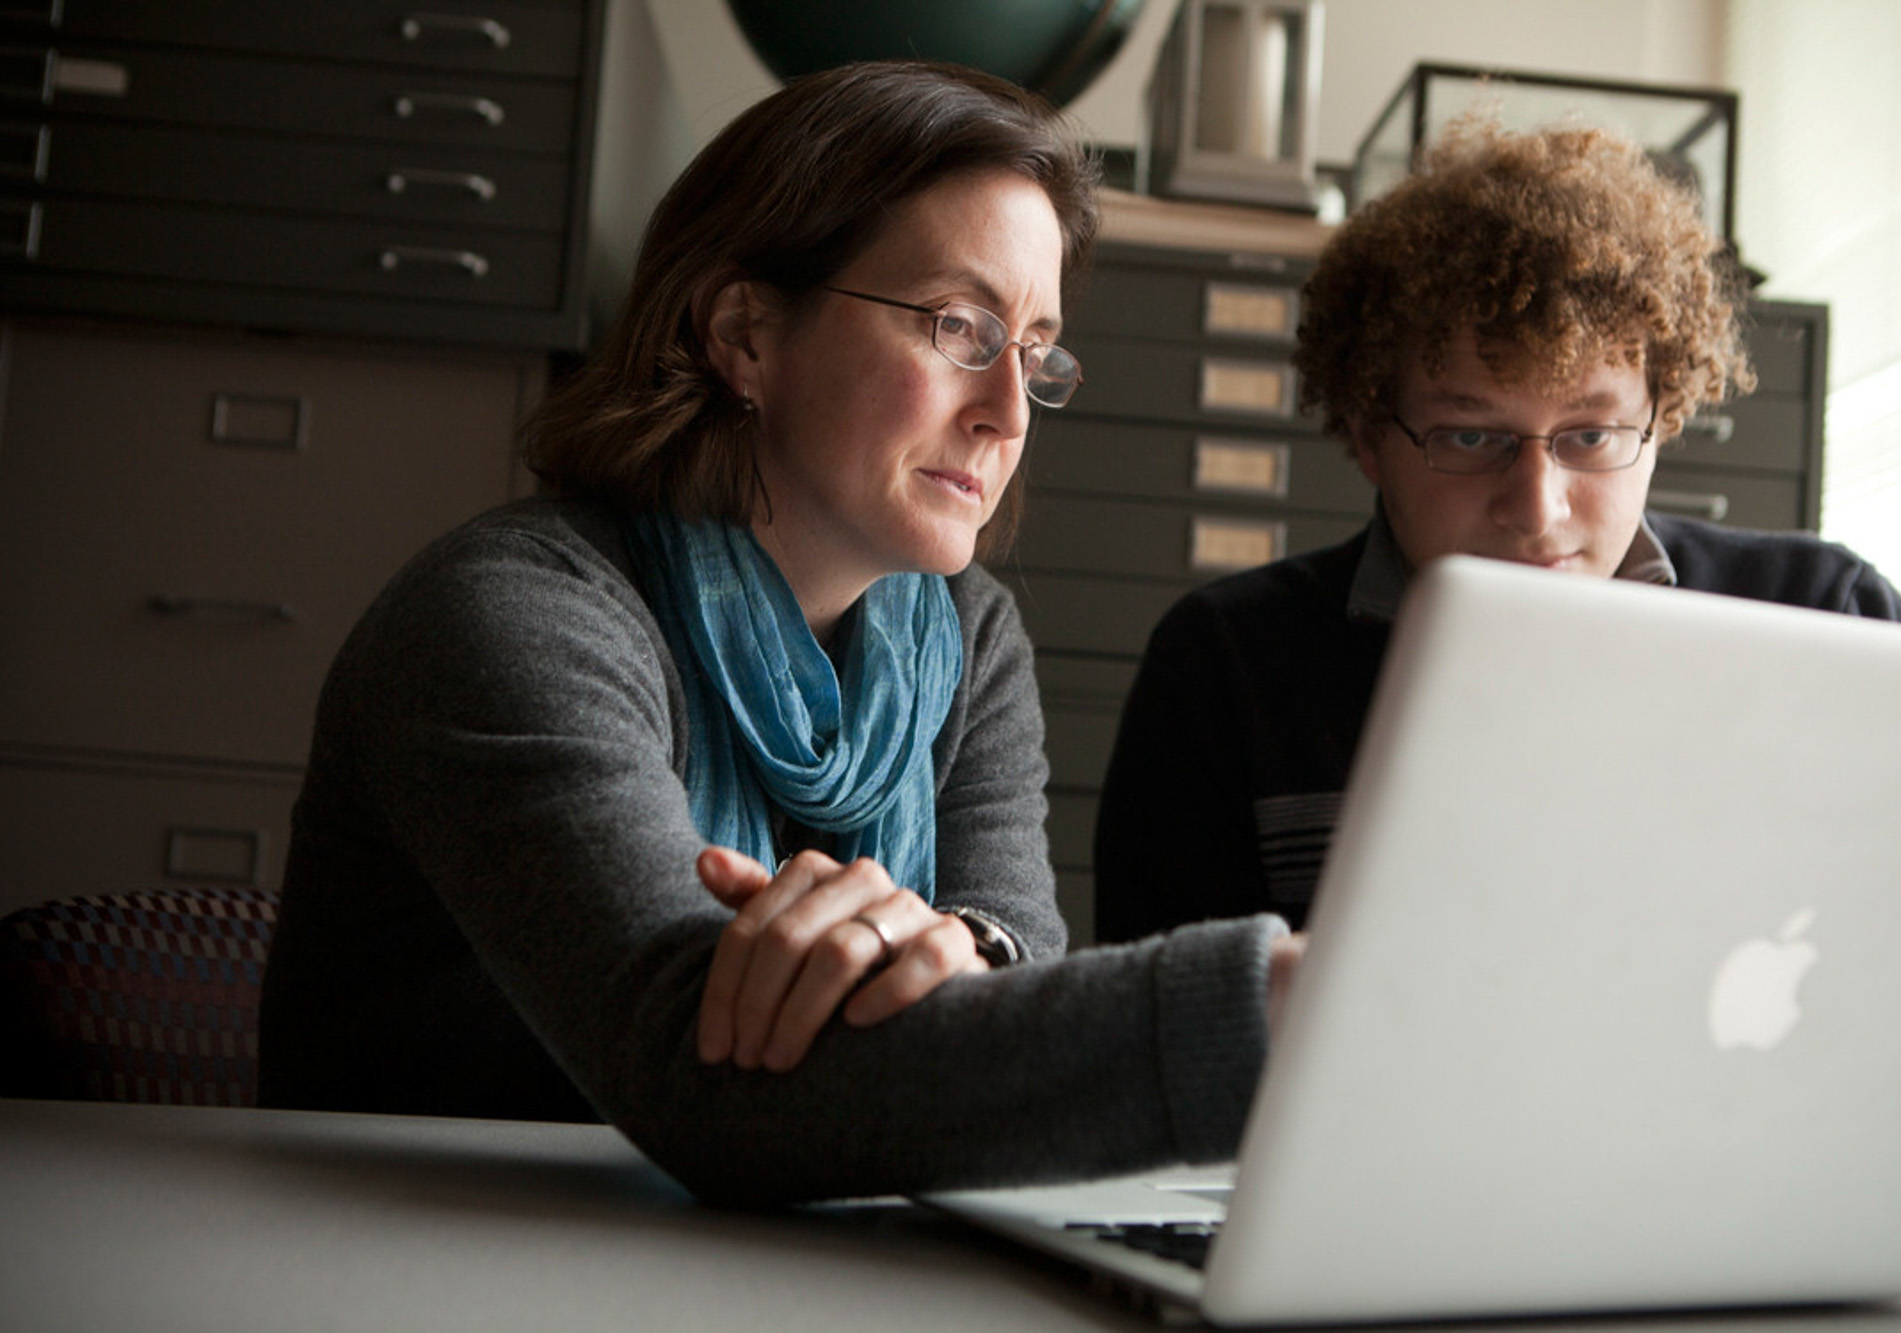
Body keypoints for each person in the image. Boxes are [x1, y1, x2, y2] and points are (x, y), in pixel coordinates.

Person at [257, 61, 1303, 1206]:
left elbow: (1012, 966)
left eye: (1035, 350)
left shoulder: (969, 641)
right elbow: (699, 1077)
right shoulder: (507, 618)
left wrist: (952, 955)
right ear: (745, 334)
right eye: (959, 327)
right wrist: (1273, 1006)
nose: (1008, 412)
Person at [1093, 115, 1901, 945]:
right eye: (1470, 437)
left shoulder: (1827, 613)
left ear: (1661, 421)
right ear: (1369, 436)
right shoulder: (1226, 668)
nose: (1537, 507)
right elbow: (1157, 1046)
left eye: (1591, 436)